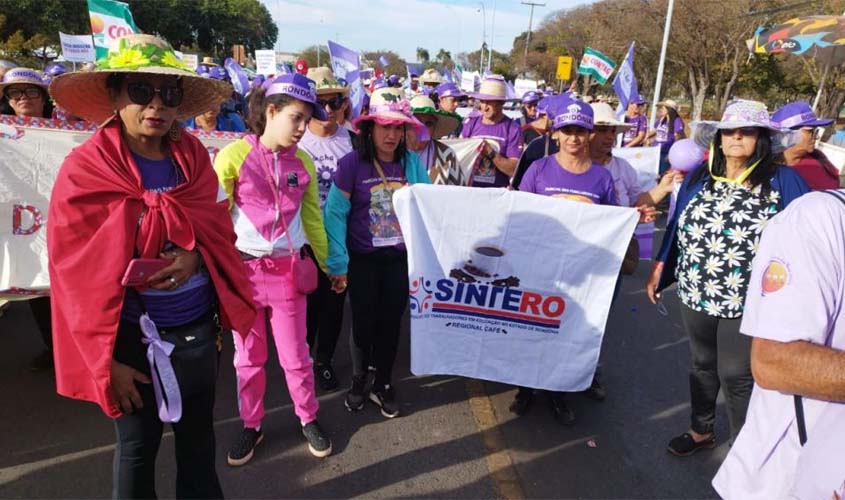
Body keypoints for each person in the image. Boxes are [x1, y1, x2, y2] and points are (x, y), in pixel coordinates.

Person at [47, 34, 255, 498]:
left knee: (199, 444)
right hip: (128, 343)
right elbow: (72, 273)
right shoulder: (85, 170)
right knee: (138, 448)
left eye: (169, 94)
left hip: (198, 333)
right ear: (115, 96)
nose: (156, 105)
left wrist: (196, 255)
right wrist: (109, 361)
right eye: (141, 91)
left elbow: (218, 230)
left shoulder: (194, 158)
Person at [645, 99, 810, 457]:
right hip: (695, 289)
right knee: (702, 364)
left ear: (762, 139)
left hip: (750, 300)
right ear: (718, 139)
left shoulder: (784, 180)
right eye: (728, 131)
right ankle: (701, 429)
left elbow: (810, 234)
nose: (736, 137)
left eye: (746, 131)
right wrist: (661, 265)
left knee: (736, 374)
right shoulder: (700, 177)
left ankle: (746, 451)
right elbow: (676, 226)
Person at [214, 73, 333, 465]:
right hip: (244, 274)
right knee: (247, 358)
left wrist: (332, 263)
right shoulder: (232, 156)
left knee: (296, 356)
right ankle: (251, 424)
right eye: (296, 118)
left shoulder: (304, 163)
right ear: (271, 111)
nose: (303, 128)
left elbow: (313, 217)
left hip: (288, 272)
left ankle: (308, 417)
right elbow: (214, 220)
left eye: (307, 119)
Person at [515, 97, 655, 424]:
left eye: (581, 131)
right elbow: (518, 214)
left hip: (582, 270)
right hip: (542, 267)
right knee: (533, 328)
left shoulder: (601, 178)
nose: (574, 138)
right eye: (567, 131)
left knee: (568, 331)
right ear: (557, 134)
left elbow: (611, 220)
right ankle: (525, 388)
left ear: (589, 134)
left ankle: (559, 393)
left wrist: (634, 216)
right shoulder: (539, 169)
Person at [711, 189, 845, 499]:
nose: (737, 137)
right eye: (729, 134)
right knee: (712, 368)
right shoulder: (819, 217)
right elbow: (775, 362)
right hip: (795, 478)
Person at [323, 87, 431, 419]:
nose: (392, 134)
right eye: (385, 127)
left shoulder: (411, 164)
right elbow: (335, 213)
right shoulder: (351, 164)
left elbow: (430, 206)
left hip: (399, 260)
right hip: (363, 260)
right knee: (364, 323)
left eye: (398, 127)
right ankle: (359, 381)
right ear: (370, 129)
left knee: (390, 324)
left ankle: (383, 383)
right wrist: (338, 261)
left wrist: (420, 194)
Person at [299, 66, 353, 392]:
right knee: (304, 310)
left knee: (333, 307)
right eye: (321, 103)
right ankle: (300, 363)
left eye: (335, 101)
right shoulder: (294, 141)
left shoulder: (354, 143)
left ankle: (324, 363)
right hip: (303, 242)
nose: (329, 110)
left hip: (339, 243)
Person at [1, 67, 56, 370]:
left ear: (44, 97)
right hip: (20, 227)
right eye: (15, 93)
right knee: (34, 287)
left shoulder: (65, 134)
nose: (23, 98)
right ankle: (52, 347)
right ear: (8, 100)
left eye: (31, 92)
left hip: (59, 223)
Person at [460, 75, 523, 188]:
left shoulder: (513, 129)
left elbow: (513, 169)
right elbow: (459, 159)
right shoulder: (470, 124)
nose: (484, 107)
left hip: (497, 195)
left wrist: (490, 152)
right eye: (483, 101)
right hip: (470, 192)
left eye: (490, 102)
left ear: (501, 103)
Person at [772, 101, 839, 190]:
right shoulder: (763, 167)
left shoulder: (819, 160)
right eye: (810, 131)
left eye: (816, 131)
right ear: (786, 134)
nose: (817, 136)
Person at [184, 66, 246, 132]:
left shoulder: (234, 121)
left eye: (216, 102)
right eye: (208, 102)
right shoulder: (184, 124)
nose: (212, 107)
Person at [407, 94, 460, 172]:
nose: (422, 129)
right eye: (416, 122)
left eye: (428, 124)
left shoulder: (446, 155)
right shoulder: (391, 152)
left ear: (434, 127)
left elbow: (456, 183)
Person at [647, 99, 685, 173]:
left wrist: (671, 153)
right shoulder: (661, 119)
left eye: (663, 108)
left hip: (665, 152)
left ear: (669, 110)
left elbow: (678, 138)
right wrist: (647, 136)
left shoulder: (677, 121)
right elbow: (655, 130)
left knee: (662, 172)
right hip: (655, 150)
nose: (661, 110)